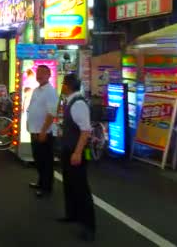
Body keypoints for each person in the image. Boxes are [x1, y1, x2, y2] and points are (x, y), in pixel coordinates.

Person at [59, 73, 96, 242]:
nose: (61, 86)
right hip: (68, 149)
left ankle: (88, 226)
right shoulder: (70, 101)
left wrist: (77, 152)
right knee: (69, 184)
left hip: (75, 150)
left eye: (63, 84)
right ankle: (72, 214)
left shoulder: (78, 104)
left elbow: (86, 130)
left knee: (81, 188)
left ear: (67, 86)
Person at [26, 65, 58, 197]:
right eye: (38, 72)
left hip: (44, 132)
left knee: (45, 161)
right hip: (34, 130)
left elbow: (52, 113)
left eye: (43, 73)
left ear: (49, 75)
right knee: (38, 159)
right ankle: (41, 182)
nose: (39, 75)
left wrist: (44, 131)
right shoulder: (36, 90)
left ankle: (46, 187)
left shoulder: (50, 91)